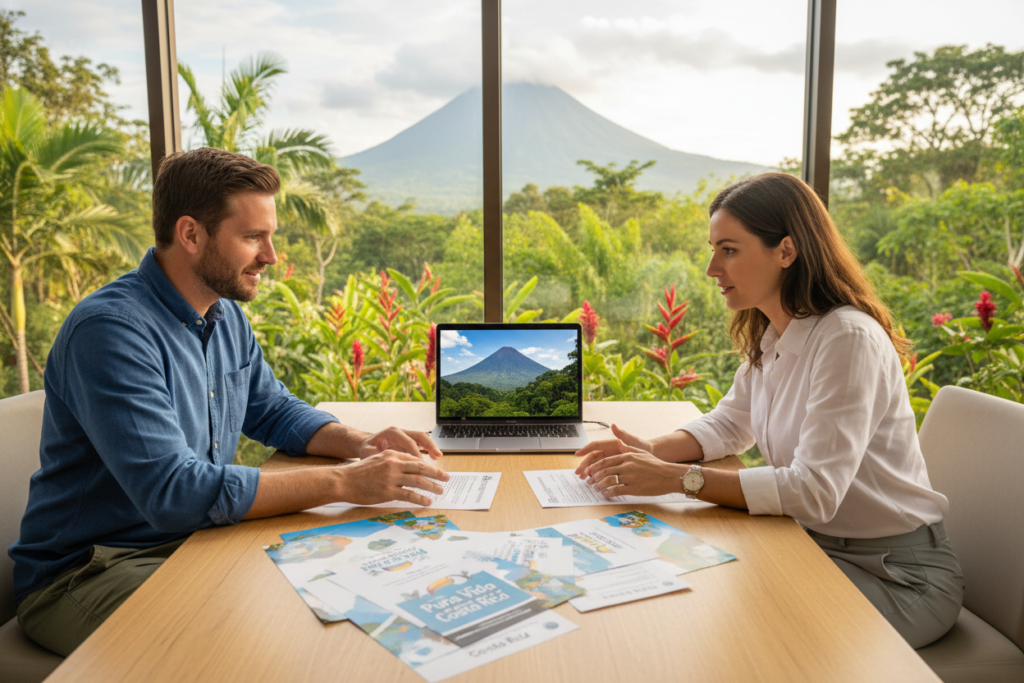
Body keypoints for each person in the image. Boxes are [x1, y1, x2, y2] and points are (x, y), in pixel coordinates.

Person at [9, 147, 449, 656]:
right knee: (263, 639)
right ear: (191, 234)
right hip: (89, 572)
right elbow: (174, 492)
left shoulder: (224, 315)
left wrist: (362, 443)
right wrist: (344, 482)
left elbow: (273, 409)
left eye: (271, 236)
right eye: (252, 237)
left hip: (193, 543)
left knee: (360, 583)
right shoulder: (111, 331)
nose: (271, 256)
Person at [575, 172, 963, 649]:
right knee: (680, 594)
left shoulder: (847, 338)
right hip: (811, 546)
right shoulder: (775, 332)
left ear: (786, 251)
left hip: (897, 576)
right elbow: (730, 423)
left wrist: (677, 479)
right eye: (713, 248)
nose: (712, 268)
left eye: (729, 250)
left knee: (749, 641)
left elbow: (814, 491)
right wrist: (650, 450)